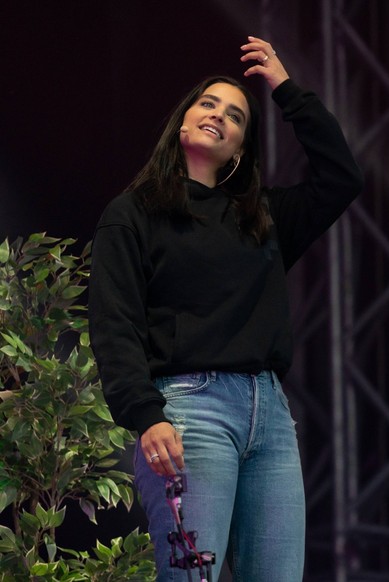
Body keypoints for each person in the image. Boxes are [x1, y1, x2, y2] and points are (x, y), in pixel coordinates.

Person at [89, 36, 363, 581]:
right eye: (208, 104)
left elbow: (342, 178)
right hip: (190, 413)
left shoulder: (261, 216)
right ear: (183, 122)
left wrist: (286, 89)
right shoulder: (134, 213)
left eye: (235, 115)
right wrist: (146, 415)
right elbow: (114, 323)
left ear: (239, 149)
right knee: (193, 575)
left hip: (271, 417)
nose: (219, 115)